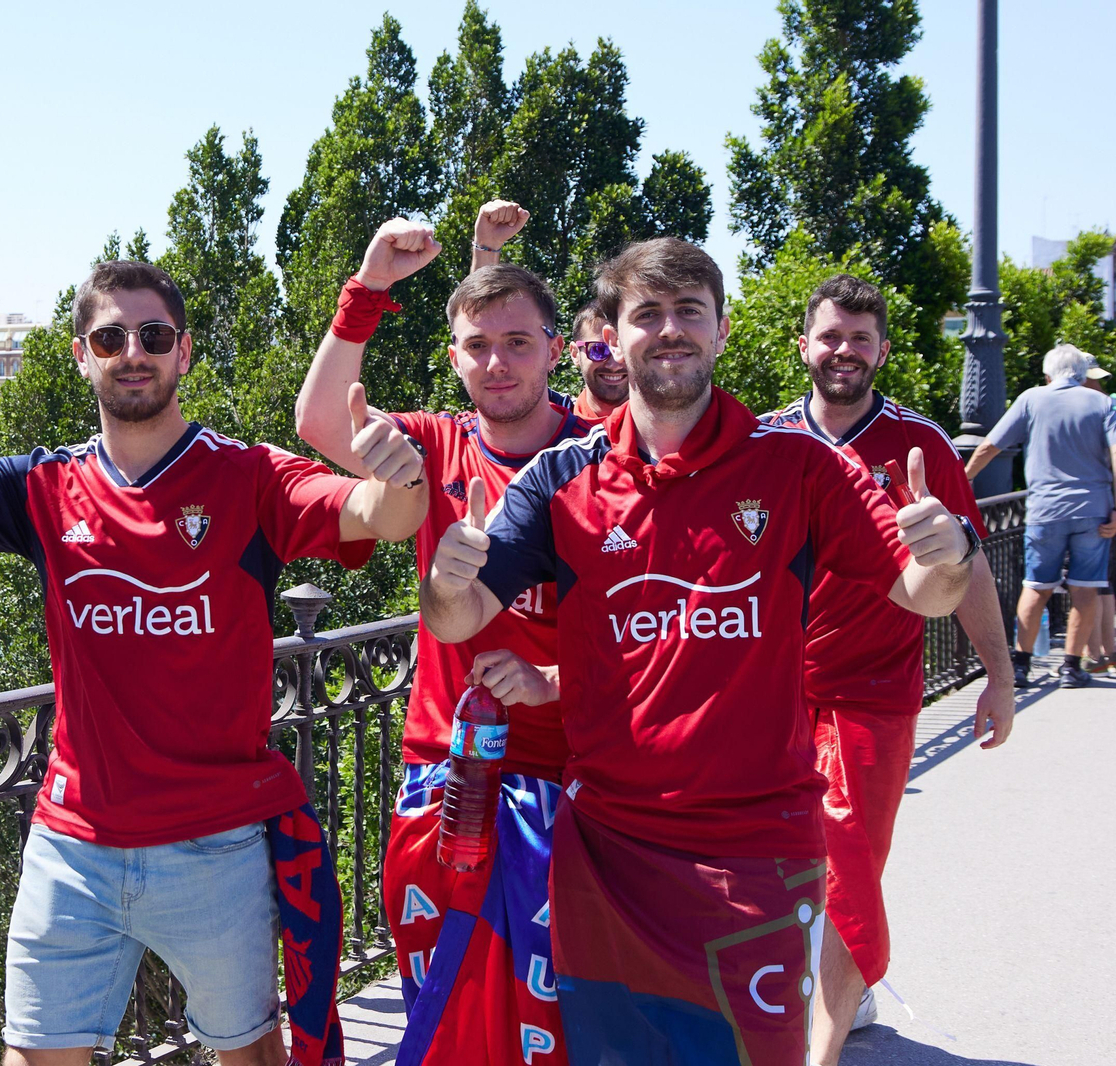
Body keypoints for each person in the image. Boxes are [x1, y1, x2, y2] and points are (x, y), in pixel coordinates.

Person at [0, 260, 429, 1066]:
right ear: (81, 355)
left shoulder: (246, 477)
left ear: (183, 353)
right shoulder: (44, 487)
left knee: (250, 1056)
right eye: (110, 337)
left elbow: (376, 515)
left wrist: (399, 478)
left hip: (215, 849)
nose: (133, 352)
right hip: (72, 847)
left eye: (153, 336)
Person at [421, 237, 978, 1066]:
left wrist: (952, 554)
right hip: (604, 857)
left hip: (754, 857)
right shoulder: (559, 478)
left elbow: (922, 592)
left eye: (690, 311)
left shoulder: (799, 468)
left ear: (721, 331)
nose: (670, 330)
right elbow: (456, 619)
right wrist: (447, 573)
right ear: (611, 335)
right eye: (647, 313)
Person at [295, 218, 584, 1065]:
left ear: (554, 350)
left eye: (519, 342)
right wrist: (368, 284)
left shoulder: (601, 460)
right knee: (444, 1010)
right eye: (478, 346)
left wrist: (555, 678)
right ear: (455, 359)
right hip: (443, 775)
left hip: (569, 784)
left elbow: (646, 627)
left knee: (552, 1026)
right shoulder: (433, 443)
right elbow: (317, 419)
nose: (499, 362)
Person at [759, 274, 1013, 1065]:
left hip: (873, 696)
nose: (844, 352)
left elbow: (967, 568)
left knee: (853, 876)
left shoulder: (922, 447)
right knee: (770, 867)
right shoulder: (767, 442)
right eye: (831, 336)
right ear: (803, 345)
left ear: (883, 352)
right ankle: (816, 991)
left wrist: (999, 676)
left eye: (860, 340)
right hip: (768, 697)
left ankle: (822, 1051)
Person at [965, 343, 1116, 688]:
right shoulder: (1103, 403)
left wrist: (964, 479)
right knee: (1085, 589)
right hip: (1094, 510)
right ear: (1080, 375)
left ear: (1048, 375)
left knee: (1036, 586)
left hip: (1045, 509)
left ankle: (1020, 665)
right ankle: (1071, 667)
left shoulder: (1032, 398)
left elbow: (990, 445)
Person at [470, 200, 626, 426]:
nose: (613, 363)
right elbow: (482, 326)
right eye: (598, 350)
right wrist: (487, 245)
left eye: (619, 348)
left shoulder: (664, 427)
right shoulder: (547, 419)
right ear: (573, 353)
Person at [1078, 359, 1115, 673]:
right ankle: (1107, 651)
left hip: (1096, 504)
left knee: (1089, 583)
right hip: (1103, 502)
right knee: (1103, 583)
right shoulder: (1107, 405)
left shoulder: (1098, 408)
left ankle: (1095, 654)